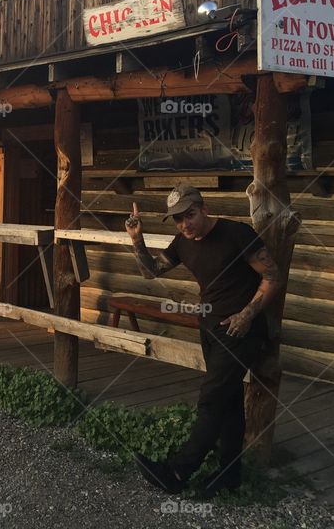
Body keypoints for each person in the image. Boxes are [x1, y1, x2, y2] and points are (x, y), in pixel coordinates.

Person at [124, 184, 281, 497]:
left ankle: (179, 471)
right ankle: (229, 475)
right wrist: (137, 239)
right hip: (210, 328)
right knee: (229, 402)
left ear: (203, 207)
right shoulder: (183, 243)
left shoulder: (236, 234)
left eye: (189, 215)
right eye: (179, 220)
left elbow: (273, 276)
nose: (185, 224)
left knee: (211, 399)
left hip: (241, 331)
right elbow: (152, 272)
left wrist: (247, 315)